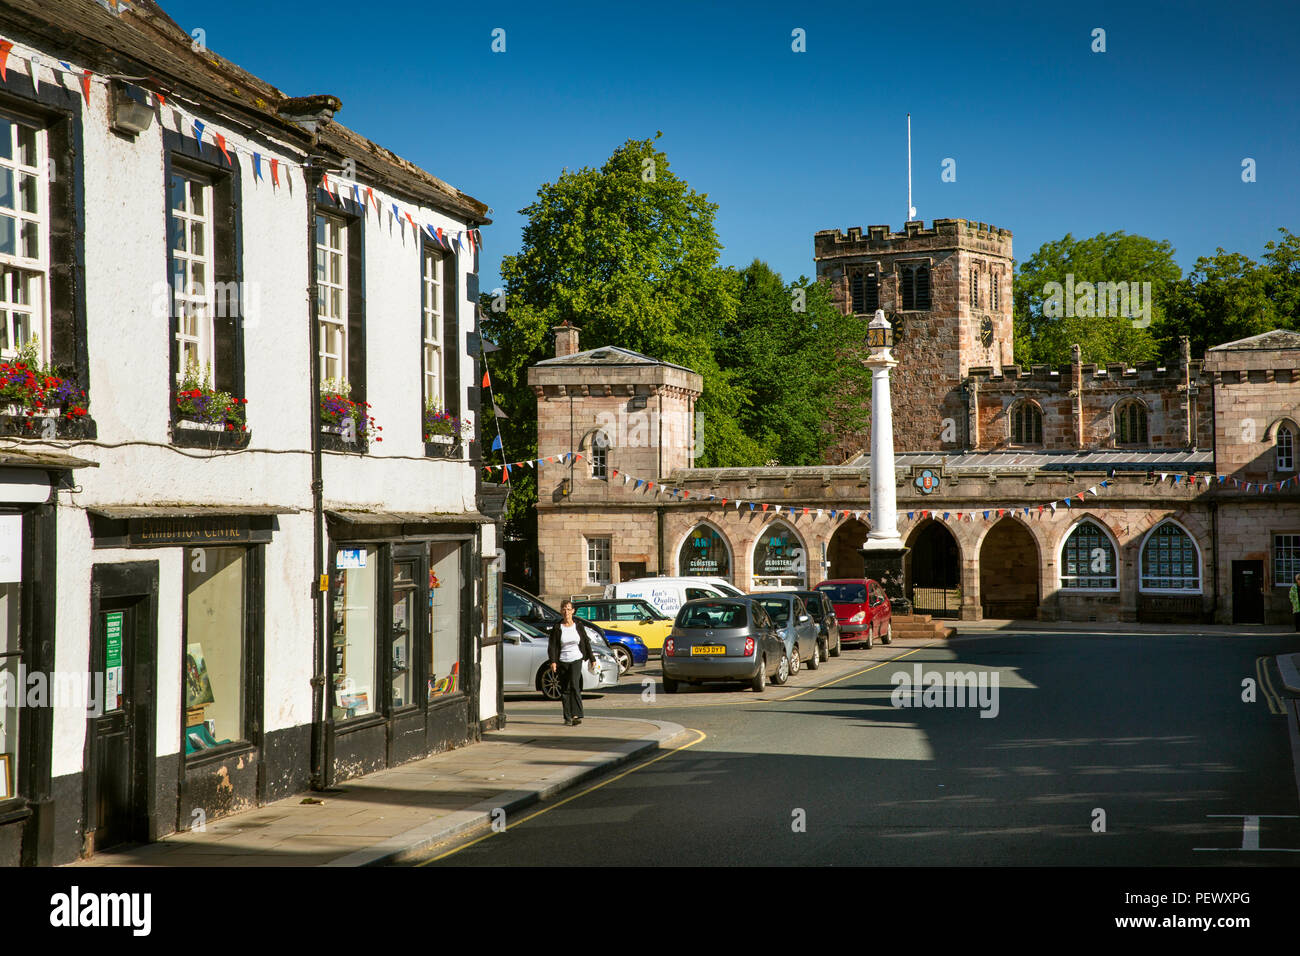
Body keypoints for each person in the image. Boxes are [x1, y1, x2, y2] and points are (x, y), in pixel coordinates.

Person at [547, 600, 598, 725]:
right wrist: (553, 661)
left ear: (573, 611)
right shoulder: (558, 627)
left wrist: (592, 659)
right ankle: (567, 716)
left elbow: (585, 642)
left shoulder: (578, 625)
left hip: (576, 658)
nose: (566, 612)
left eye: (569, 609)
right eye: (564, 609)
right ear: (561, 611)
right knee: (565, 688)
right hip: (563, 660)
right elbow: (552, 645)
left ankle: (576, 714)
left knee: (575, 685)